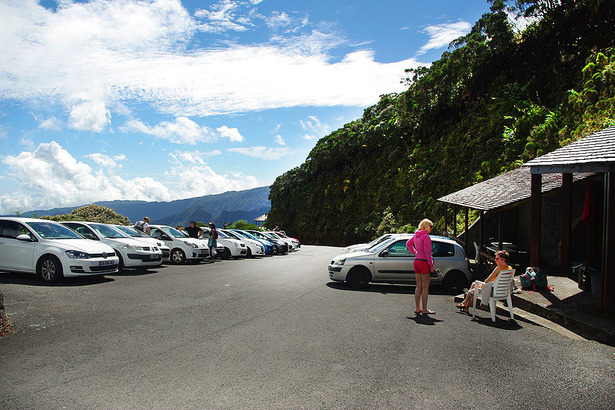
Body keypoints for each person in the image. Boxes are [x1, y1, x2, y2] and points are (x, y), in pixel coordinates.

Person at [406, 219, 436, 314]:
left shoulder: (416, 235)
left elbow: (408, 244)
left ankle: (417, 307)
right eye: (430, 226)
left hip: (417, 261)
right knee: (425, 287)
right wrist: (431, 266)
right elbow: (428, 253)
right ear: (426, 226)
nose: (431, 228)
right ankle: (425, 309)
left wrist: (414, 252)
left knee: (418, 286)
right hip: (424, 262)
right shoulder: (425, 236)